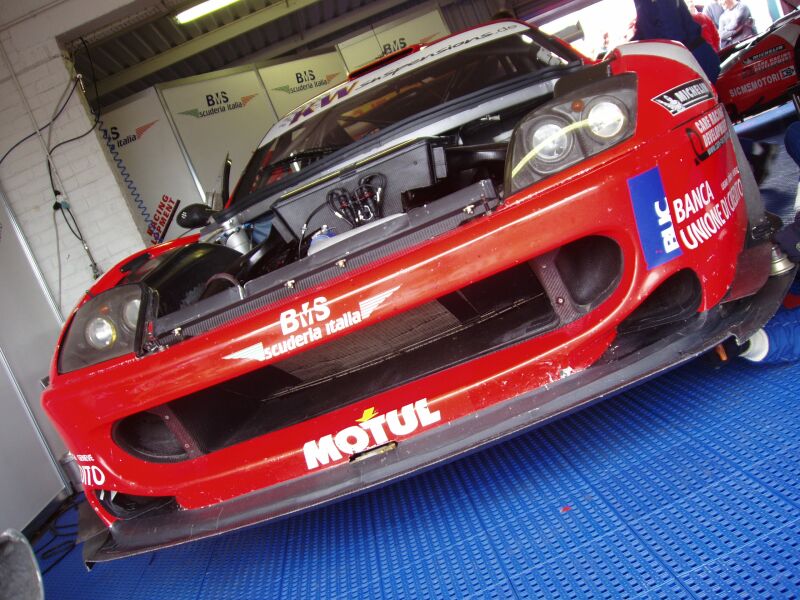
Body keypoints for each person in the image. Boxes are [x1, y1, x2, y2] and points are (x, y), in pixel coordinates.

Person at [631, 0, 720, 83]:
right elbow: (644, 29)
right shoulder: (642, 3)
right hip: (683, 58)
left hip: (694, 59)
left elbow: (673, 33)